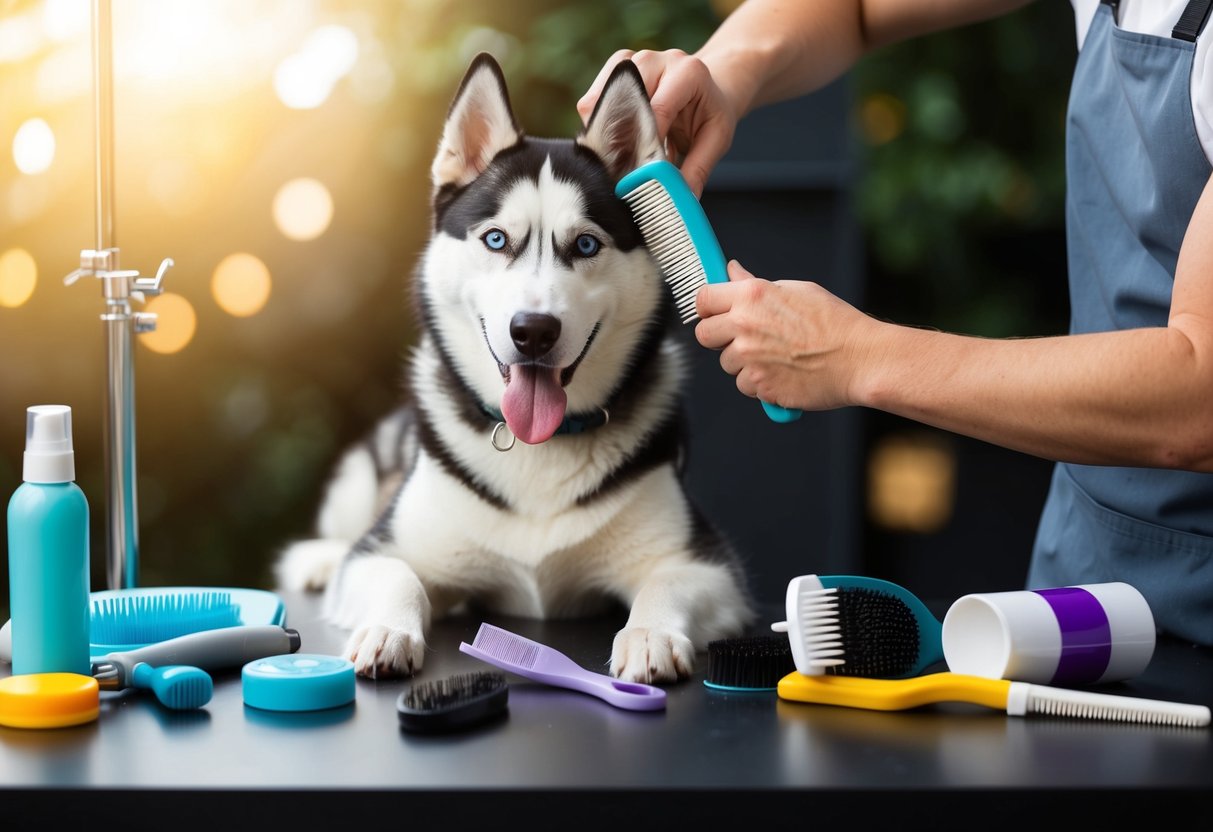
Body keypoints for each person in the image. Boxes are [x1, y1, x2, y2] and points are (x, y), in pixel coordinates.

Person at [578, 0, 1213, 647]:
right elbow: (853, 9)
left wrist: (859, 358)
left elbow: (1199, 399)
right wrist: (722, 71)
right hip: (1082, 574)